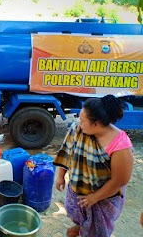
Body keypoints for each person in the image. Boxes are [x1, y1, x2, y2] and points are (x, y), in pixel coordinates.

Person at [53, 95, 133, 237]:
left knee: (95, 231)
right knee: (81, 220)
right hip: (78, 193)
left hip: (102, 200)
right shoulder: (78, 129)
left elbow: (119, 181)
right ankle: (77, 229)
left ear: (97, 124)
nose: (78, 122)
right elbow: (66, 150)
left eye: (83, 120)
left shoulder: (120, 145)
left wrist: (95, 197)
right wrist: (60, 176)